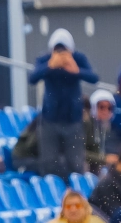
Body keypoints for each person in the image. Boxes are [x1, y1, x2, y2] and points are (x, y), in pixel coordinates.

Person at [29, 29, 98, 180]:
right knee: (49, 164)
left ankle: (76, 195)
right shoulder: (46, 59)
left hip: (73, 119)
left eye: (64, 50)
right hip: (49, 119)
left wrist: (76, 70)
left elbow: (94, 77)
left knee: (75, 164)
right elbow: (32, 78)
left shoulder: (78, 59)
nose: (61, 54)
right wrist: (49, 66)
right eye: (57, 50)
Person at [85, 90, 121, 173]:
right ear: (93, 107)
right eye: (101, 107)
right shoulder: (86, 124)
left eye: (109, 108)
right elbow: (78, 153)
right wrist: (105, 159)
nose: (106, 111)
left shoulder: (106, 126)